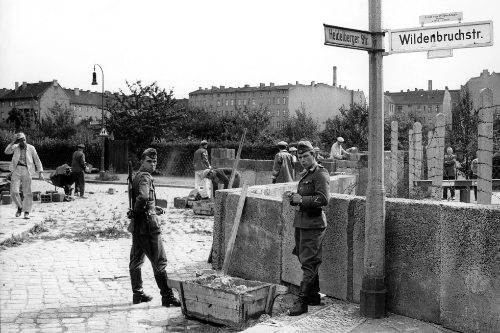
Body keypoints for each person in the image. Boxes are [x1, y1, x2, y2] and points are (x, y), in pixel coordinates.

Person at [128, 148, 181, 307]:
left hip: (139, 225)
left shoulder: (137, 176)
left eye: (155, 161)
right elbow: (143, 197)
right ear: (142, 162)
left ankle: (137, 294)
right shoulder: (145, 177)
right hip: (148, 226)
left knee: (136, 259)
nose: (153, 164)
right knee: (159, 261)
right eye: (149, 161)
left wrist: (153, 208)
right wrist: (139, 211)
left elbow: (145, 200)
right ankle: (167, 296)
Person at [287, 141, 330, 316]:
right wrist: (295, 199)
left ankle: (302, 301)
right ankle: (313, 296)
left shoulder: (320, 174)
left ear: (314, 155)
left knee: (309, 263)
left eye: (306, 156)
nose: (303, 160)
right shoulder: (306, 175)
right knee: (306, 259)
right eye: (300, 157)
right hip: (302, 222)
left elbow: (323, 199)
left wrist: (301, 200)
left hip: (313, 224)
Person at [4, 132, 44, 219]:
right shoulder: (15, 147)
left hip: (27, 170)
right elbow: (6, 151)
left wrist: (40, 172)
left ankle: (26, 212)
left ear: (26, 139)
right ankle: (20, 207)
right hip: (16, 170)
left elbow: (37, 160)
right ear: (18, 141)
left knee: (27, 192)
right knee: (14, 192)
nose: (23, 142)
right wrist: (12, 142)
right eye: (21, 141)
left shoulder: (31, 148)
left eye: (24, 140)